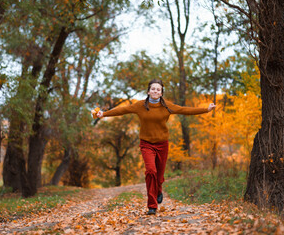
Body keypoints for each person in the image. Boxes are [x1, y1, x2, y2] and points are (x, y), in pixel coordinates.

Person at [92, 79, 216, 215]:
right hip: (146, 144)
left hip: (162, 144)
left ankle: (158, 190)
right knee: (151, 171)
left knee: (160, 175)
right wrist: (104, 114)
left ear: (161, 93)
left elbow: (184, 110)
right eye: (153, 89)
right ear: (148, 91)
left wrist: (206, 109)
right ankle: (152, 205)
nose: (155, 91)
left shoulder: (167, 106)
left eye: (158, 89)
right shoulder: (140, 105)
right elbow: (123, 110)